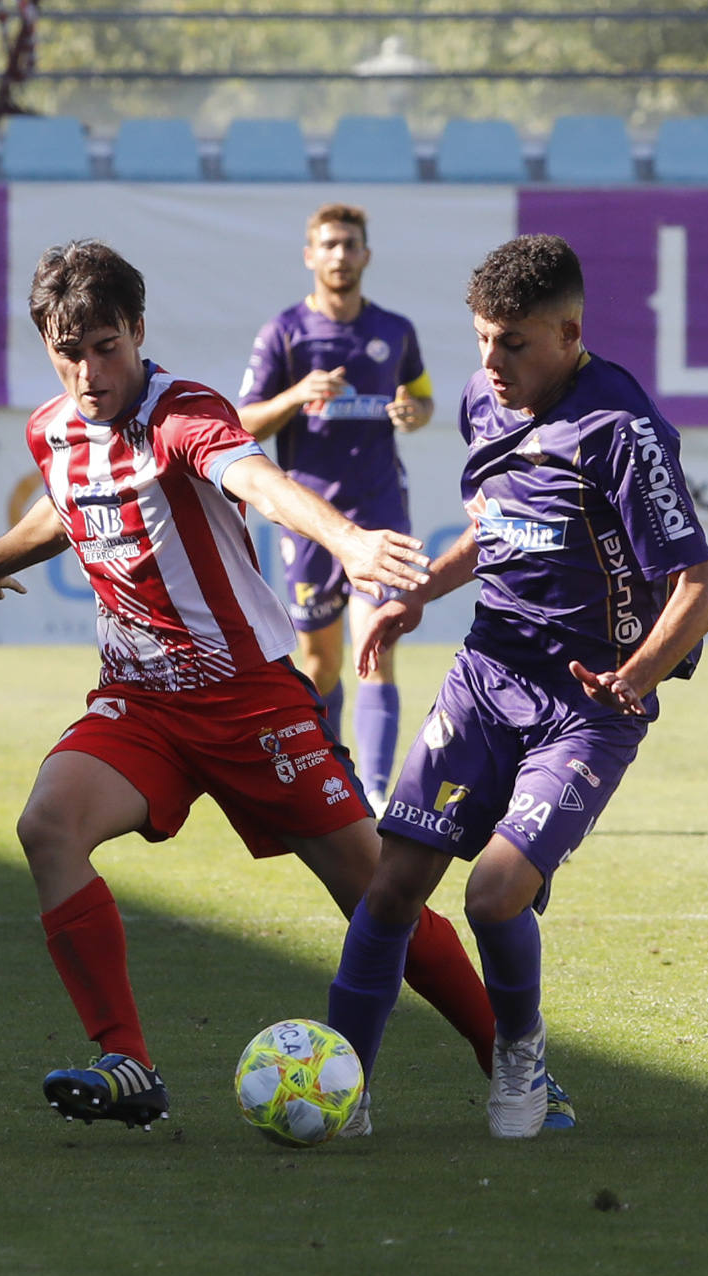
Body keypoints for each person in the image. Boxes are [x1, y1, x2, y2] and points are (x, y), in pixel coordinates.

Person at [0, 238, 520, 1133]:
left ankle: (512, 1060)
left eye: (105, 347)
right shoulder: (52, 428)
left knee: (379, 898)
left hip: (251, 705)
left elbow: (259, 479)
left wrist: (349, 544)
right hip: (139, 704)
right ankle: (126, 1060)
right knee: (47, 826)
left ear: (136, 331)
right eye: (69, 352)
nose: (89, 372)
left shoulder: (185, 414)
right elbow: (62, 504)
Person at [327, 233, 708, 1139]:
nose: (491, 364)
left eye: (513, 344)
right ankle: (338, 1083)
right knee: (389, 889)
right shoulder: (479, 400)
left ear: (569, 333)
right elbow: (494, 525)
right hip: (484, 678)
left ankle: (520, 1056)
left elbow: (700, 590)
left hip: (585, 708)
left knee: (492, 892)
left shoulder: (621, 430)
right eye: (480, 340)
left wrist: (634, 677)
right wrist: (416, 593)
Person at [238, 203, 433, 817]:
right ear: (310, 255)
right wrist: (298, 394)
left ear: (366, 254)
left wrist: (413, 413)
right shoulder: (285, 333)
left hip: (379, 514)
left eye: (350, 244)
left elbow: (423, 399)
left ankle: (374, 792)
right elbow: (241, 422)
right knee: (320, 663)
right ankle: (329, 783)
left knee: (377, 644)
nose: (340, 255)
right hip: (311, 519)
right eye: (329, 245)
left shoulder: (396, 330)